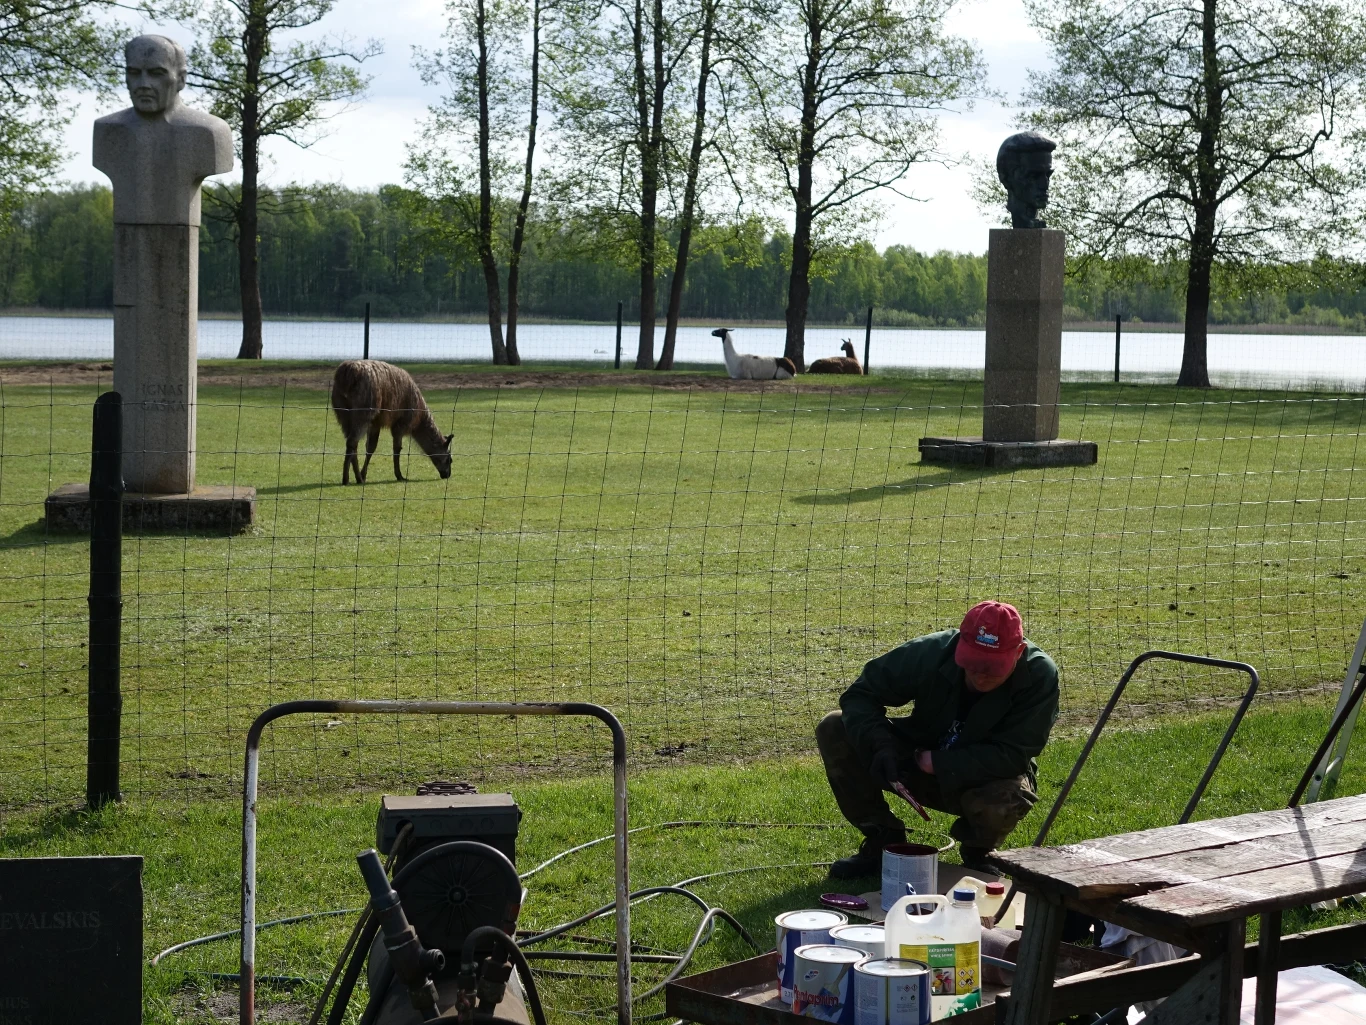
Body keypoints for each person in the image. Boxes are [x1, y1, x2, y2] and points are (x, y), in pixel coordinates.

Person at [816, 601, 1059, 877]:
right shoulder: (933, 651)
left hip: (982, 775)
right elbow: (860, 694)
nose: (980, 675)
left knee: (1009, 795)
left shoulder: (1040, 675)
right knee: (834, 727)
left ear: (1018, 653)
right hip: (916, 755)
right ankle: (882, 840)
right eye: (973, 662)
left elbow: (1014, 754)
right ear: (960, 645)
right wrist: (880, 744)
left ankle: (979, 852)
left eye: (992, 667)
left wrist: (938, 762)